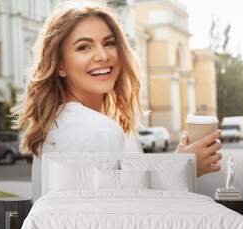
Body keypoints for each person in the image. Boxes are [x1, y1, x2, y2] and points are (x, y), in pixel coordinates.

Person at [12, 1, 222, 202]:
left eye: (109, 43)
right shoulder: (99, 130)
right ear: (60, 65)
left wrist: (179, 163)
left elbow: (121, 198)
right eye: (84, 47)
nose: (103, 55)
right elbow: (126, 219)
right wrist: (186, 169)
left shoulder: (56, 122)